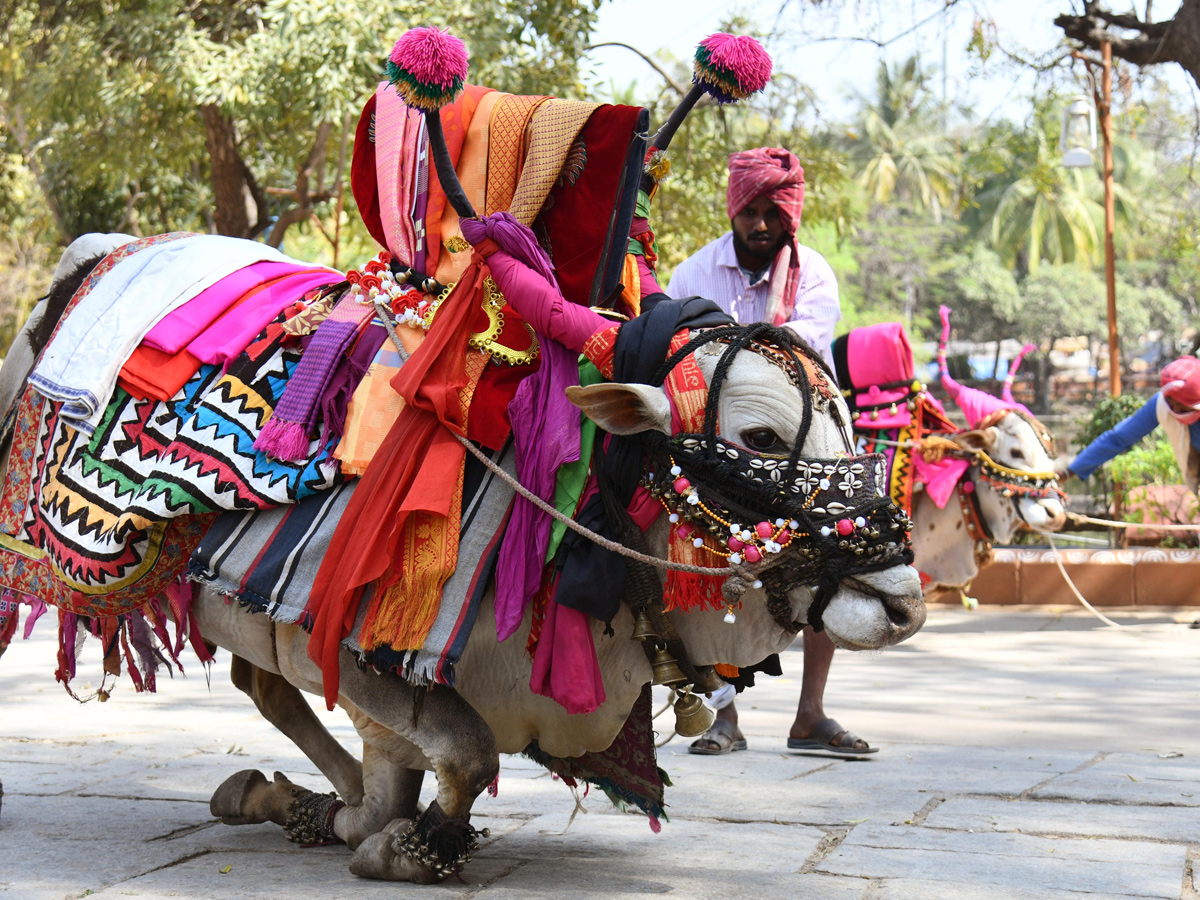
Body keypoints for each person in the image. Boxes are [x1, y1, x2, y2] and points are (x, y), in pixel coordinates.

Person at [667, 147, 872, 757]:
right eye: (749, 211)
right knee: (714, 568)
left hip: (810, 445)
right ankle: (725, 716)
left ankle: (810, 715)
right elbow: (677, 356)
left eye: (772, 212)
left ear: (792, 215)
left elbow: (796, 349)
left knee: (828, 567)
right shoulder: (693, 275)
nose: (760, 224)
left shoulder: (814, 275)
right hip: (722, 450)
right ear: (732, 210)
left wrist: (723, 351)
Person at [1063, 356, 1200, 490]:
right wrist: (1069, 472)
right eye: (1172, 404)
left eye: (1182, 407)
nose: (1175, 410)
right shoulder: (1161, 404)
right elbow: (1117, 439)